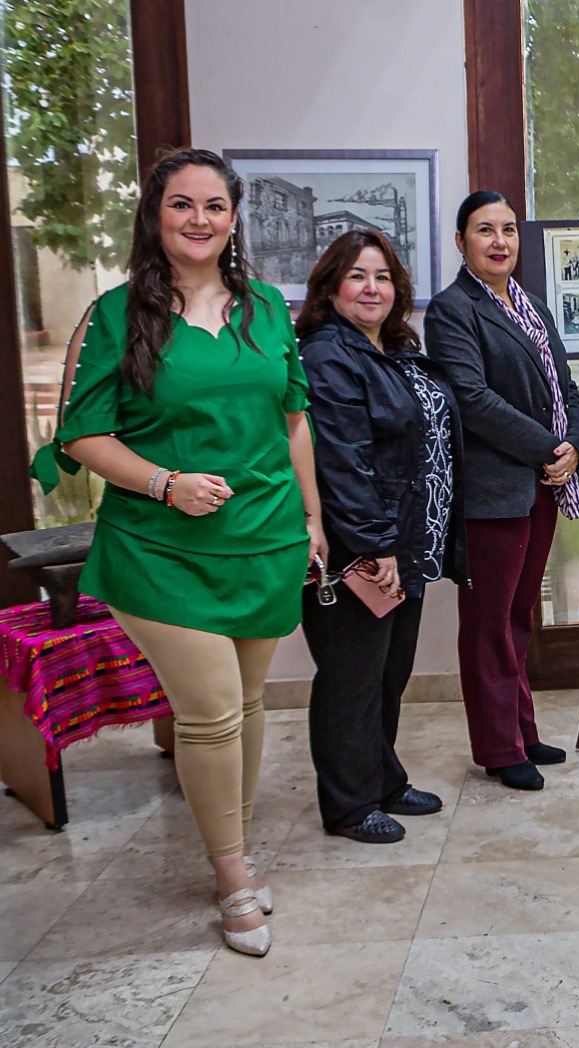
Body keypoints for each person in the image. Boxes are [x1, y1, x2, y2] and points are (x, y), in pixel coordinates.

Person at [28, 148, 325, 957]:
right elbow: (82, 434)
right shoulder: (115, 314)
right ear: (155, 217)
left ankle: (237, 838)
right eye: (182, 205)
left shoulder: (266, 308)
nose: (199, 220)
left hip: (263, 536)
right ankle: (232, 876)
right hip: (160, 544)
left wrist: (314, 519)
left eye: (215, 207)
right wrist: (165, 483)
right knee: (210, 710)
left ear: (234, 220)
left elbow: (293, 420)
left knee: (251, 702)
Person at [296, 230, 469, 843]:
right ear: (331, 287)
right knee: (351, 677)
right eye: (358, 276)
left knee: (389, 673)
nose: (373, 288)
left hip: (407, 543)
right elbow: (344, 463)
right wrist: (376, 547)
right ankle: (346, 805)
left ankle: (382, 778)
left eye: (383, 277)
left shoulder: (394, 348)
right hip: (359, 551)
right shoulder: (326, 356)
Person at [426, 191, 579, 791]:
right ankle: (497, 747)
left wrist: (575, 445)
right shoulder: (452, 311)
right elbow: (472, 401)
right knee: (489, 620)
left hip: (542, 485)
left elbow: (565, 388)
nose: (500, 241)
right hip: (494, 493)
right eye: (485, 230)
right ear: (462, 241)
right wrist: (549, 448)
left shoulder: (533, 308)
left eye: (509, 230)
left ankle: (521, 729)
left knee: (520, 614)